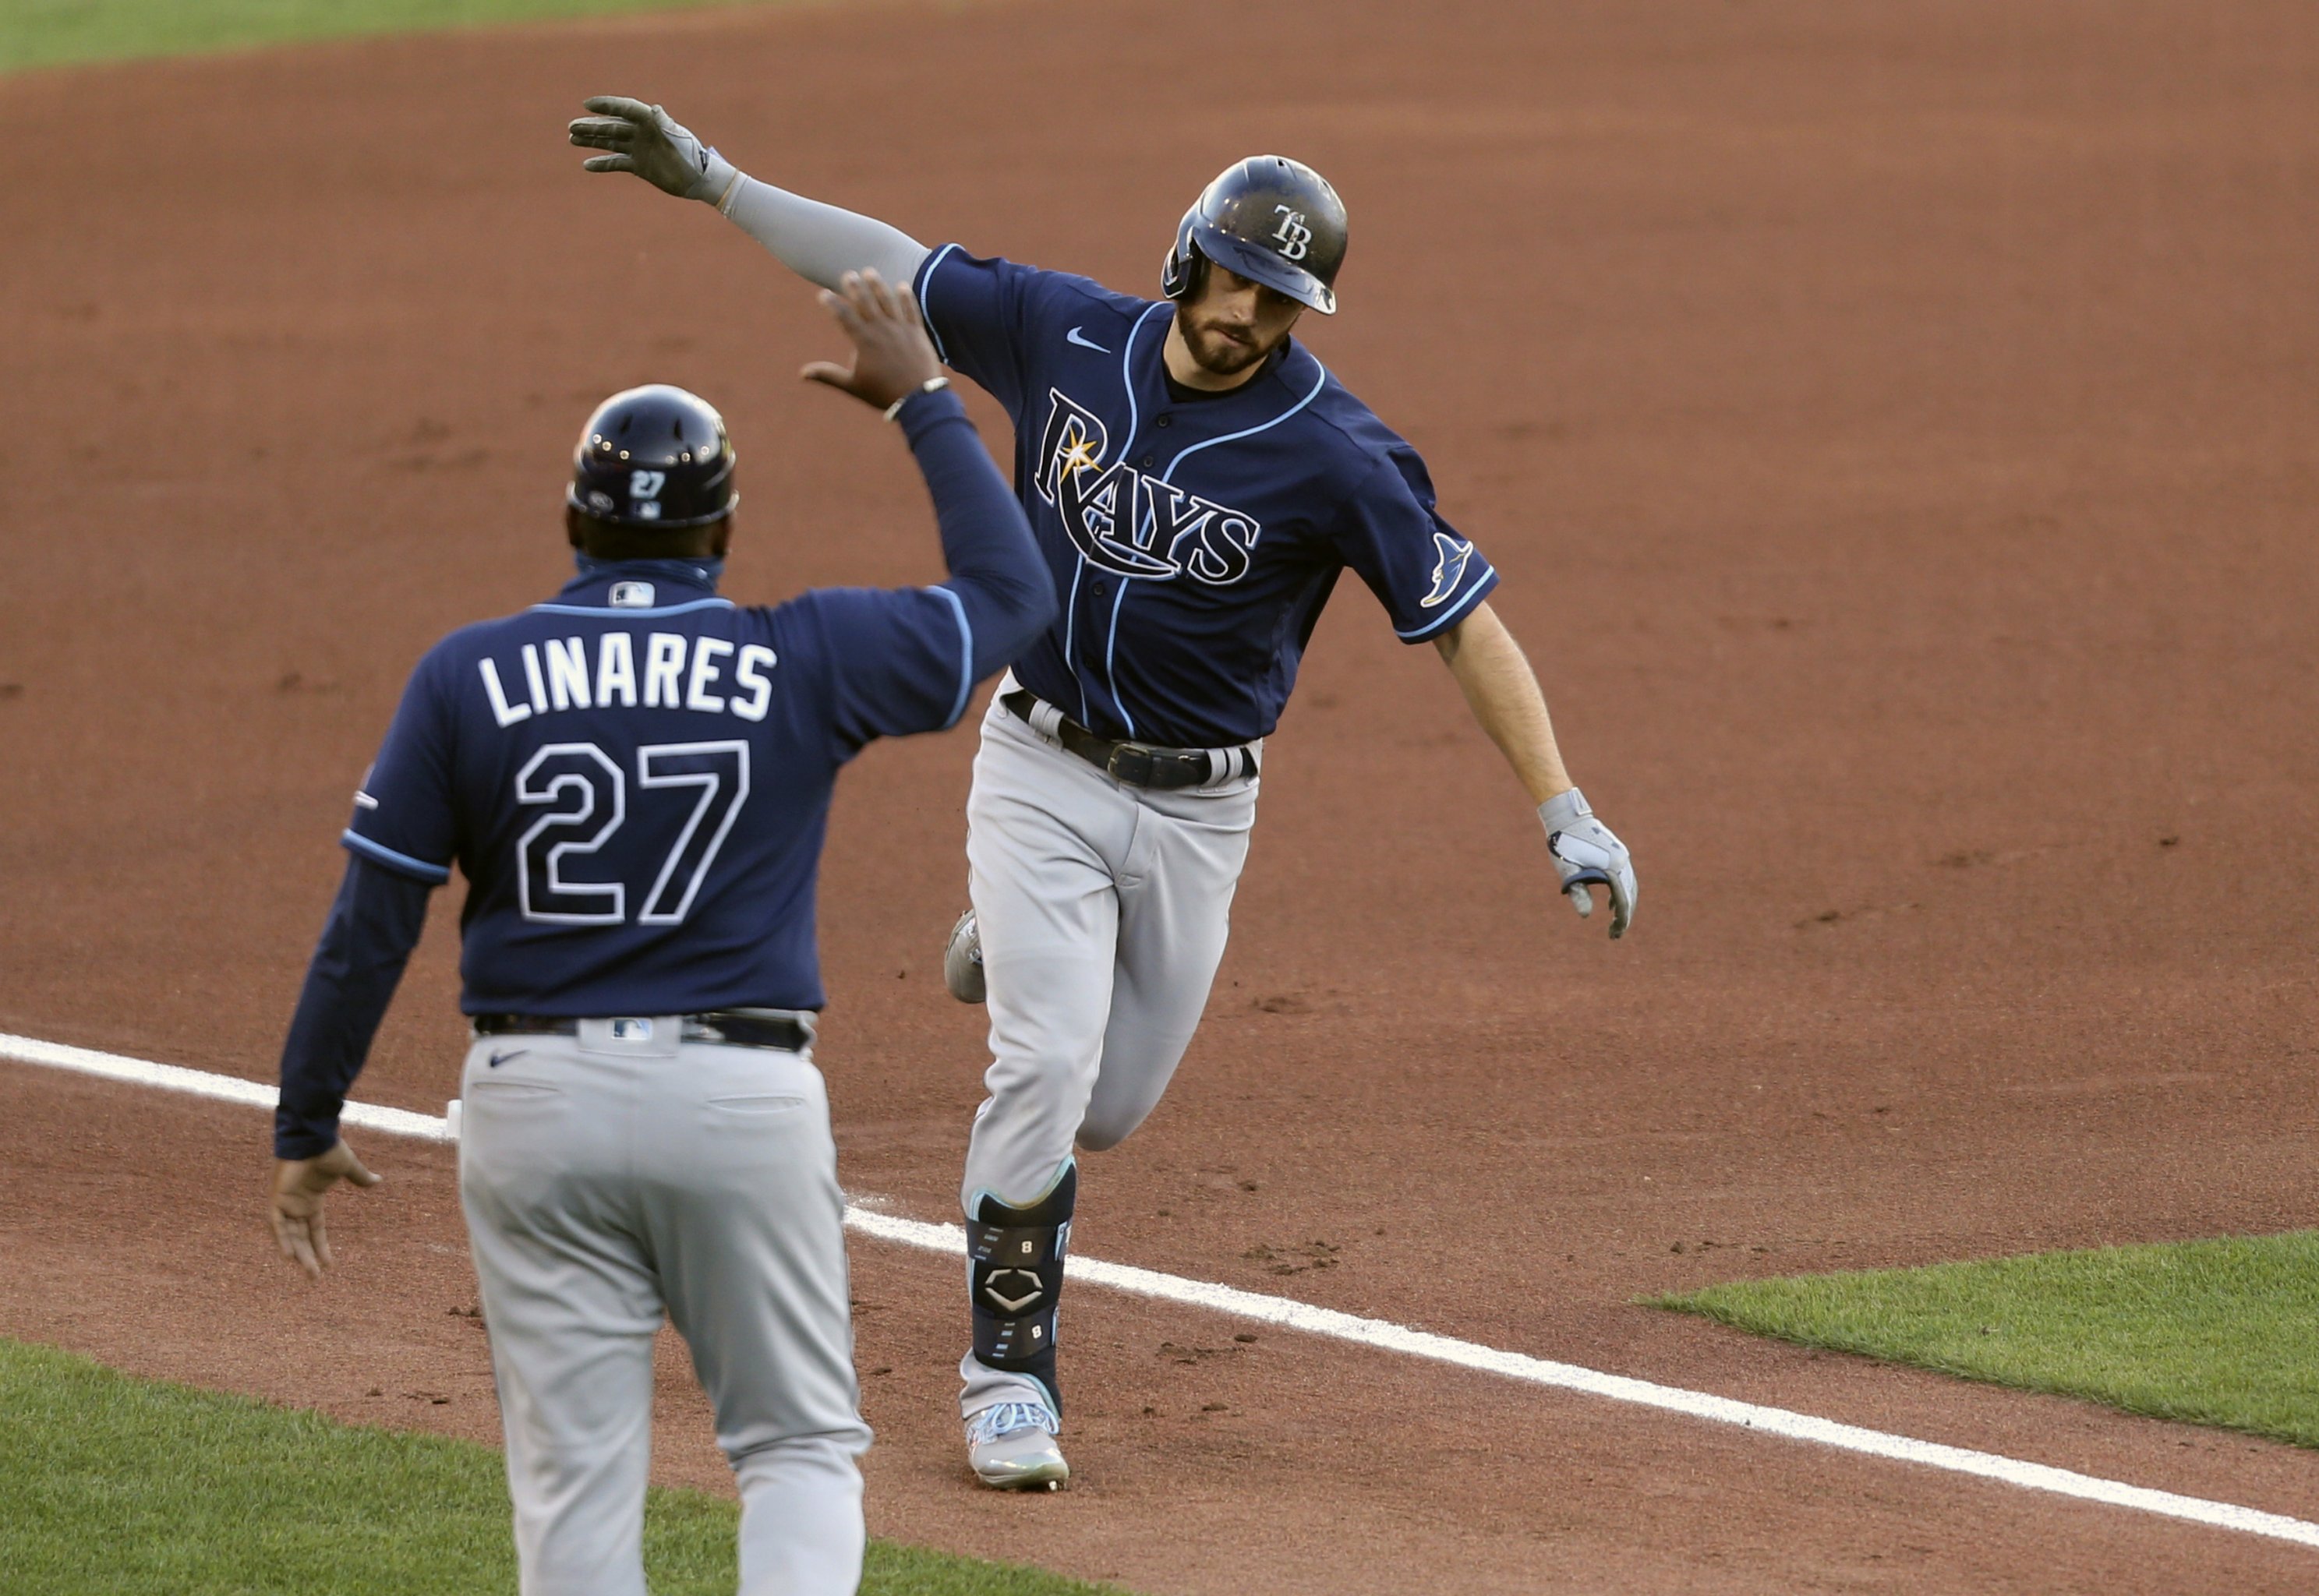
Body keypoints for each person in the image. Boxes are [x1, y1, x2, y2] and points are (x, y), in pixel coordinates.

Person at [567, 98, 1639, 1493]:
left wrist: (1563, 807)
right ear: (1187, 255)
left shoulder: (1335, 453)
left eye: (1283, 300)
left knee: (1108, 1108)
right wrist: (713, 182)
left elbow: (1460, 623)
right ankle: (1007, 1375)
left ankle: (1005, 948)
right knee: (1042, 1065)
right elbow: (882, 263)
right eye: (1237, 276)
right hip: (1039, 761)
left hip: (1202, 812)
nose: (1249, 314)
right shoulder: (1067, 333)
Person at [265, 274, 1055, 1593]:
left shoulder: (468, 674)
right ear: (724, 529)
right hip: (738, 1100)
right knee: (797, 1447)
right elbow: (1010, 596)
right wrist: (922, 400)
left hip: (533, 1103)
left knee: (576, 1486)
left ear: (574, 520)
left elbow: (371, 923)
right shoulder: (804, 651)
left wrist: (307, 1120)